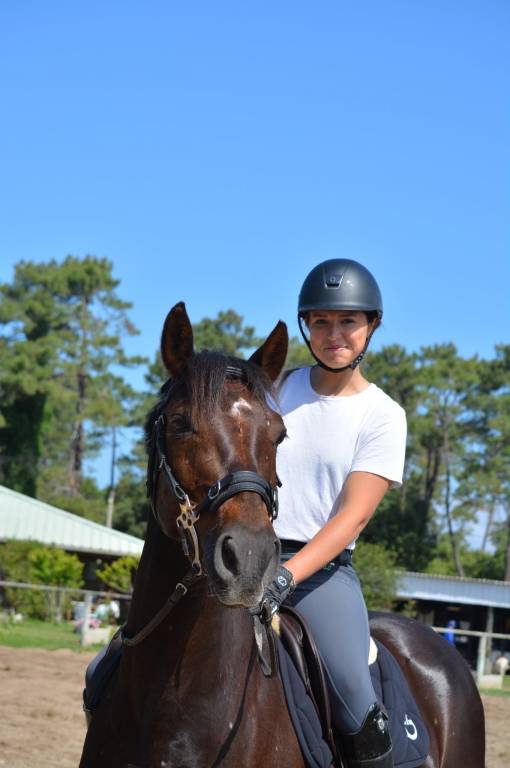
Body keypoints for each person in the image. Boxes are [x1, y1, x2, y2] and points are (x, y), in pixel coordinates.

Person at [257, 259, 407, 768]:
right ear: (306, 327)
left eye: (348, 322)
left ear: (372, 327)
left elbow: (352, 518)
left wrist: (285, 576)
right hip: (244, 557)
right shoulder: (274, 391)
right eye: (320, 321)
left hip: (318, 576)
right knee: (115, 661)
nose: (333, 334)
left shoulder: (383, 416)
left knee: (354, 701)